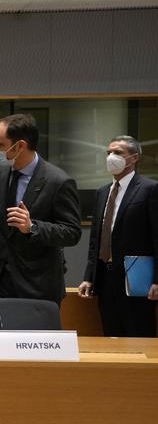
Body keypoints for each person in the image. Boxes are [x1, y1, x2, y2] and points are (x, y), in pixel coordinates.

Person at [0, 114, 81, 304]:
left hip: (38, 284)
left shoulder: (58, 181)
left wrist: (32, 226)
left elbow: (72, 233)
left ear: (20, 146)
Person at [79, 135, 158, 337]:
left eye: (117, 153)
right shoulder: (103, 192)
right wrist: (89, 277)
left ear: (133, 158)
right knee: (111, 335)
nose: (111, 157)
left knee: (138, 336)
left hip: (136, 278)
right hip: (106, 278)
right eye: (108, 153)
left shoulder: (149, 189)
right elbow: (95, 240)